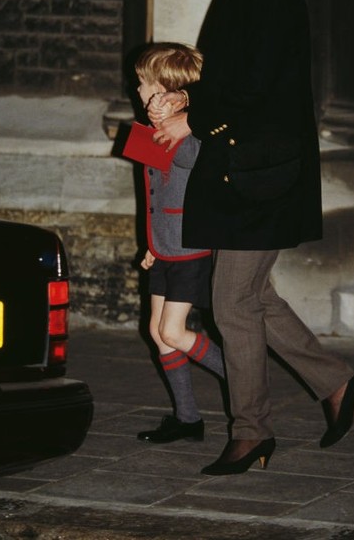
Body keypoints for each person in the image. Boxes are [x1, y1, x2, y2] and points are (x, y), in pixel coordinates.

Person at [149, 0, 354, 475]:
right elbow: (234, 79)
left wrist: (193, 121)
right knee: (255, 296)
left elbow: (253, 86)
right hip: (251, 167)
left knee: (234, 306)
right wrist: (186, 102)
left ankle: (251, 434)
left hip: (259, 172)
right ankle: (337, 384)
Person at [133, 42, 225, 444]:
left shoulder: (191, 135)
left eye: (141, 83)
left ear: (162, 91)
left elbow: (191, 164)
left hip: (190, 248)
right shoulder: (152, 132)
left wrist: (181, 114)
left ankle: (243, 377)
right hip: (166, 245)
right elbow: (154, 192)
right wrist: (152, 244)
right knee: (156, 332)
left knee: (172, 332)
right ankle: (188, 419)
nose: (136, 90)